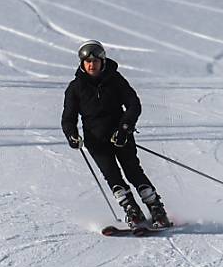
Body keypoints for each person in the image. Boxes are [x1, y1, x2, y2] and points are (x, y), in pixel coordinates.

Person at [61, 39, 172, 229]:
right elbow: (68, 118)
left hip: (121, 137)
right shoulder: (75, 87)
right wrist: (71, 135)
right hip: (96, 141)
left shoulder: (115, 80)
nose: (91, 65)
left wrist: (125, 128)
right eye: (87, 61)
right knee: (113, 177)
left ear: (102, 61)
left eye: (95, 61)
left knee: (133, 172)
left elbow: (133, 104)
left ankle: (156, 210)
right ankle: (132, 212)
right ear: (82, 63)